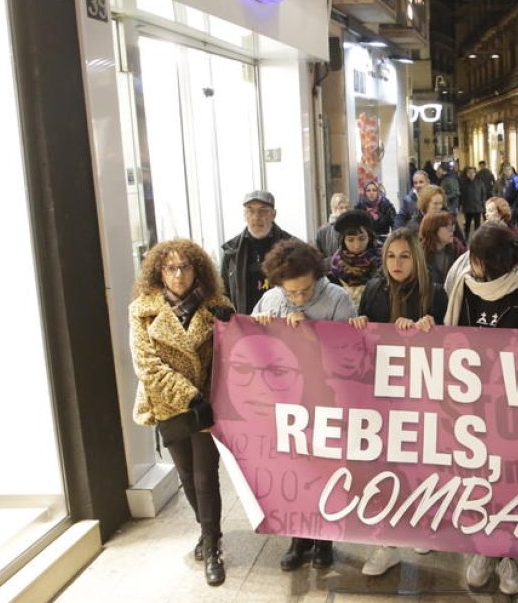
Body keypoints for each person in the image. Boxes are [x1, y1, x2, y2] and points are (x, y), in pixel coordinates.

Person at [447, 224, 518, 595]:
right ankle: (483, 549)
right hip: (473, 403)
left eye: (476, 258)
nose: (471, 263)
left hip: (517, 407)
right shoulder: (464, 286)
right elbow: (450, 337)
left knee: (510, 480)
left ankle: (507, 551)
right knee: (478, 477)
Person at [129, 239, 235, 587]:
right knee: (186, 476)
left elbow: (233, 359)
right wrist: (188, 397)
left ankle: (213, 543)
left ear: (197, 269)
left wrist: (230, 326)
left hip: (207, 406)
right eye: (170, 268)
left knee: (206, 477)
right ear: (159, 271)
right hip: (171, 405)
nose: (178, 274)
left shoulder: (217, 306)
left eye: (185, 267)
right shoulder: (142, 310)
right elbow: (147, 365)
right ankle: (206, 532)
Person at [348, 228, 447, 575]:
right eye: (391, 256)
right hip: (380, 394)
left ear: (416, 259)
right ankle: (386, 542)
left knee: (420, 464)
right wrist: (359, 323)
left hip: (422, 393)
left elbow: (454, 344)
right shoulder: (374, 290)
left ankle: (420, 525)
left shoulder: (434, 293)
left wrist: (430, 329)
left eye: (404, 256)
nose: (397, 263)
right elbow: (362, 342)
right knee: (382, 467)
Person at [251, 239, 354, 570]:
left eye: (306, 291)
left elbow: (351, 357)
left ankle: (324, 539)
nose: (298, 298)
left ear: (317, 274)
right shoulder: (271, 299)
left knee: (324, 471)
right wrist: (262, 328)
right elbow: (249, 346)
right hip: (284, 402)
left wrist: (311, 336)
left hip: (325, 399)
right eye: (291, 292)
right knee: (294, 470)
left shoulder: (337, 299)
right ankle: (298, 538)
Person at [221, 190, 294, 313]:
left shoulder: (292, 247)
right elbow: (222, 290)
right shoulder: (231, 250)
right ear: (244, 215)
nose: (256, 217)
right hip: (246, 324)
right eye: (250, 211)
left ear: (274, 214)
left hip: (282, 322)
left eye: (263, 210)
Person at [326, 210, 381, 310]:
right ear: (343, 240)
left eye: (362, 238)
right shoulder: (331, 268)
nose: (357, 245)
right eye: (350, 240)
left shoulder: (384, 263)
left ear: (370, 237)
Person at [420, 211, 466, 284]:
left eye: (452, 226)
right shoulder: (420, 255)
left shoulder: (457, 248)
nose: (452, 230)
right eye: (447, 227)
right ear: (433, 229)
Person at [315, 192, 349, 257]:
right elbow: (319, 255)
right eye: (341, 208)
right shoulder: (323, 231)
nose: (345, 211)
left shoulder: (353, 227)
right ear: (333, 209)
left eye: (346, 207)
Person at [460, 166, 487, 236]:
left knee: (477, 225)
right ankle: (466, 237)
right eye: (469, 173)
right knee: (467, 224)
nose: (471, 174)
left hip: (477, 207)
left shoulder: (480, 182)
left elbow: (483, 193)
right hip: (468, 208)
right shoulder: (464, 183)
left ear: (475, 173)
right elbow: (461, 196)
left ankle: (477, 238)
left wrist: (482, 202)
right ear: (466, 174)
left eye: (472, 172)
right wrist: (462, 205)